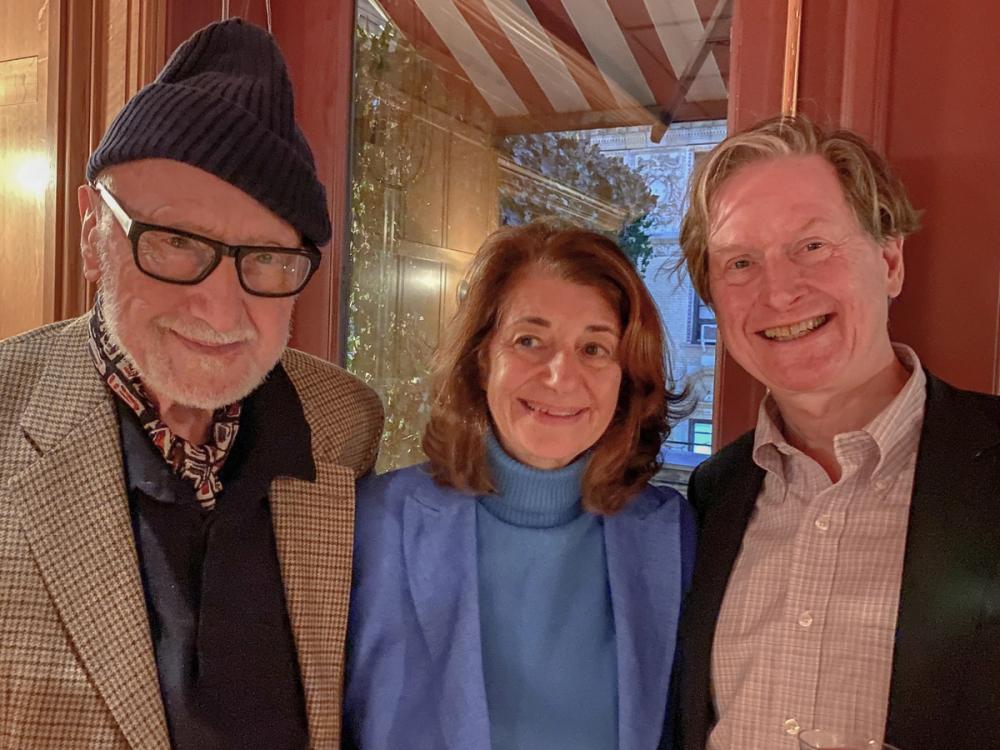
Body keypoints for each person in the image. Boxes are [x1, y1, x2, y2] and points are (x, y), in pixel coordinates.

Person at [0, 19, 382, 749]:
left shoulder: (343, 425)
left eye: (267, 258)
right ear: (92, 231)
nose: (219, 306)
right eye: (176, 242)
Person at [673, 115, 1000, 750]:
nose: (780, 290)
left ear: (889, 261)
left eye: (812, 246)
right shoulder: (714, 497)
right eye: (740, 262)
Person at [343, 222, 696, 750]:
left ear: (626, 376)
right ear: (484, 359)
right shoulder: (372, 522)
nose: (560, 376)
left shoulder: (677, 535)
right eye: (529, 340)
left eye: (594, 349)